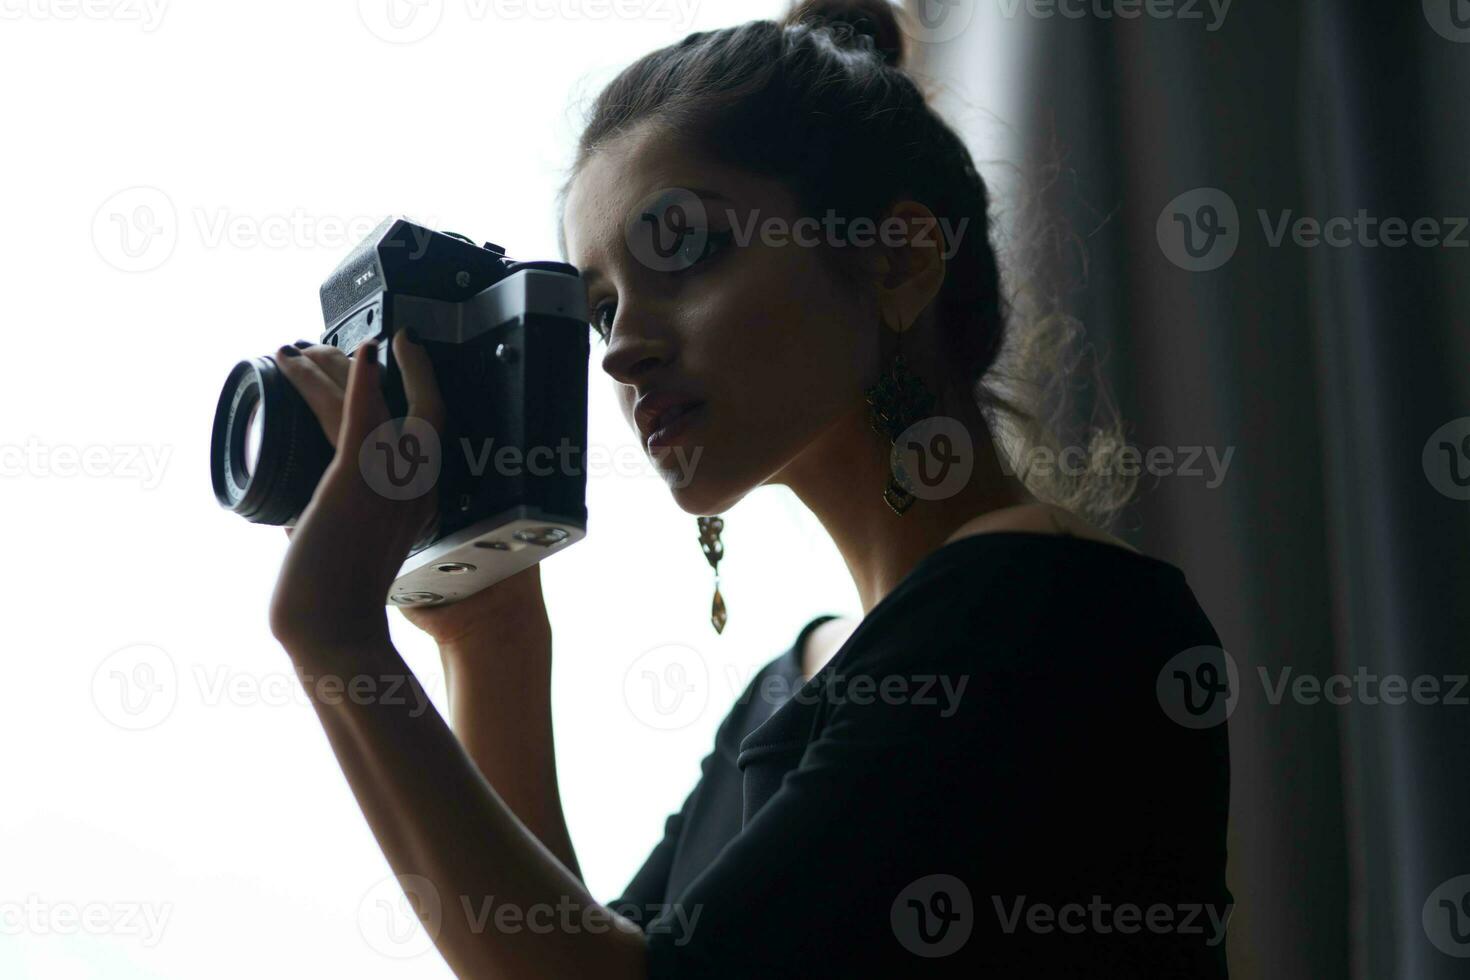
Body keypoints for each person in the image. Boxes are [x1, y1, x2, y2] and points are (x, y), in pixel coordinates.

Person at [264, 1, 1233, 975]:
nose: (623, 350)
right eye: (601, 311)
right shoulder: (790, 689)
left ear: (895, 258)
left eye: (683, 248)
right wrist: (492, 636)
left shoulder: (1049, 609)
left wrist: (339, 637)